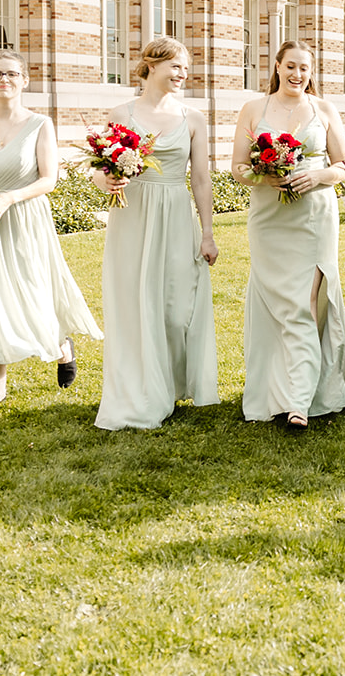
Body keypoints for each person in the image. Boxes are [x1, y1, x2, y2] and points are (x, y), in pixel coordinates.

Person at [0, 50, 101, 411]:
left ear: (24, 80)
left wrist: (10, 198)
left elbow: (49, 179)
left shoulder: (40, 123)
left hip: (25, 216)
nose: (4, 80)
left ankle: (61, 347)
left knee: (33, 292)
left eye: (12, 74)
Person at [91, 37, 220, 431]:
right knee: (134, 302)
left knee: (177, 305)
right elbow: (101, 169)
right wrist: (105, 181)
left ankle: (175, 382)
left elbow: (200, 179)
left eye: (185, 67)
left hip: (176, 213)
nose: (182, 74)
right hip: (134, 216)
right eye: (176, 66)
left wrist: (208, 232)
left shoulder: (193, 118)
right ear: (151, 64)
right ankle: (140, 392)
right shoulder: (121, 113)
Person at [232, 39, 345, 428]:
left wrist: (320, 175)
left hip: (314, 217)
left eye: (304, 68)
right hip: (269, 219)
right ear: (276, 66)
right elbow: (238, 167)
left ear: (311, 72)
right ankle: (276, 387)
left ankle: (299, 403)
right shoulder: (254, 109)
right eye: (290, 66)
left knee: (307, 305)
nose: (297, 75)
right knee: (277, 303)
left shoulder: (323, 110)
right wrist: (264, 175)